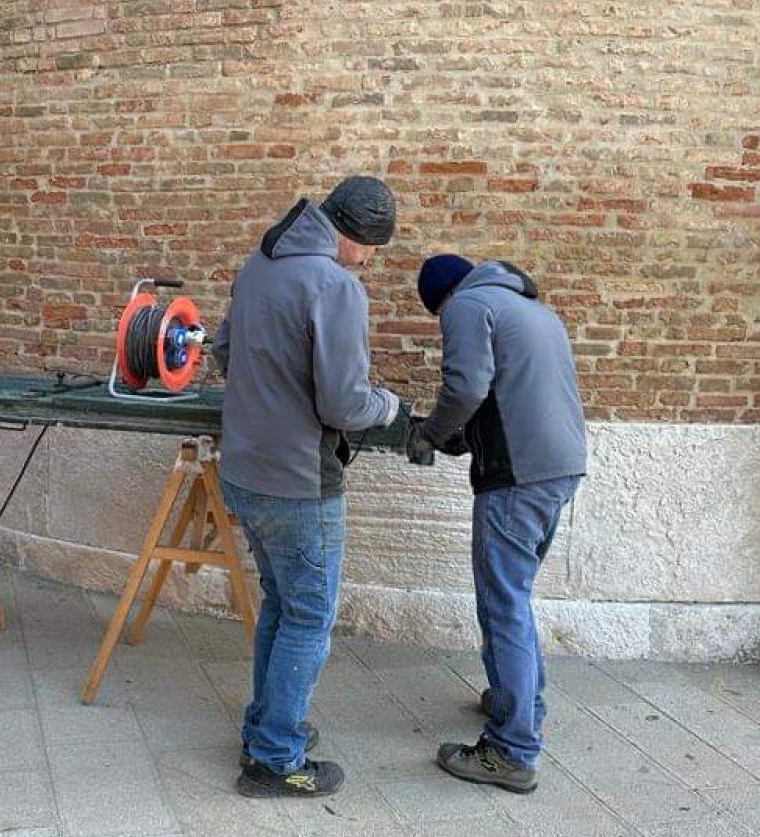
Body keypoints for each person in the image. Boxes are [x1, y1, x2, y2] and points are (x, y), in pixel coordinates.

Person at [209, 176, 402, 798]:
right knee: (309, 617)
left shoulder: (258, 264)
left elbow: (223, 352)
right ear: (355, 238)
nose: (371, 262)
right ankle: (274, 760)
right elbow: (345, 404)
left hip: (243, 469)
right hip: (299, 483)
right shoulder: (335, 285)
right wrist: (389, 406)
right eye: (373, 250)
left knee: (280, 604)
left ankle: (264, 728)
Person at [405, 254, 587, 794]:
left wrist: (432, 435)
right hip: (561, 465)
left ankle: (510, 750)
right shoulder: (529, 308)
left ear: (440, 299)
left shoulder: (466, 305)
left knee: (502, 605)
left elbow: (466, 388)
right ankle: (520, 699)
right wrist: (463, 437)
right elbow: (508, 395)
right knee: (515, 596)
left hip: (518, 475)